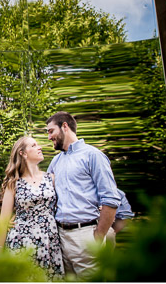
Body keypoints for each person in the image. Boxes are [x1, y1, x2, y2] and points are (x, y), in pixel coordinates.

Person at [45, 111, 121, 278]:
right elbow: (43, 195)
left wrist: (98, 237)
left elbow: (111, 199)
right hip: (60, 239)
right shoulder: (55, 162)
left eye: (51, 131)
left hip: (86, 236)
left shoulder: (93, 155)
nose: (49, 137)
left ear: (64, 126)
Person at [0, 136, 64, 280]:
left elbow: (65, 204)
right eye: (34, 145)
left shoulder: (51, 178)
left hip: (49, 242)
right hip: (21, 242)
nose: (39, 147)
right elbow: (3, 221)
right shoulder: (13, 183)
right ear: (23, 153)